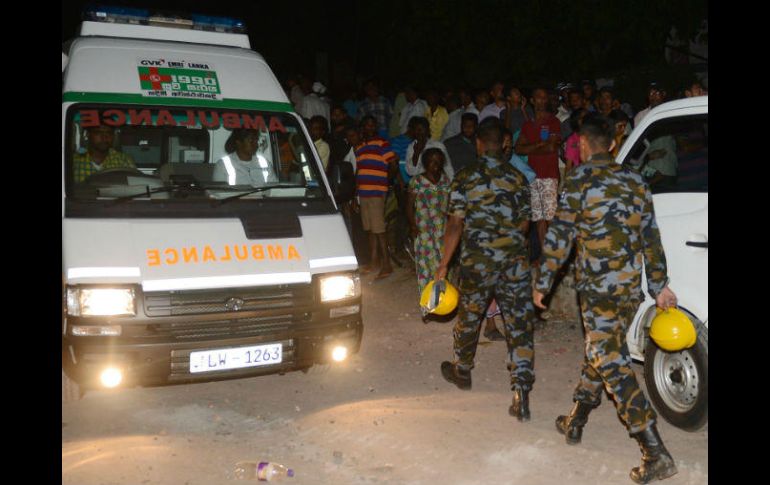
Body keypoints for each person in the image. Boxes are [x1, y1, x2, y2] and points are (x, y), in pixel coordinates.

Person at [532, 114, 679, 484]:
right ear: (613, 145)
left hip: (598, 290)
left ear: (581, 146)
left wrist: (543, 281)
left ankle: (654, 450)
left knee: (606, 357)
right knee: (601, 349)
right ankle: (576, 420)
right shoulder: (635, 180)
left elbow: (561, 236)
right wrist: (658, 284)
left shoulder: (578, 180)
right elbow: (651, 236)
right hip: (629, 288)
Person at [436, 117, 536, 422]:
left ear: (479, 143)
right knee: (518, 324)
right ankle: (521, 393)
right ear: (503, 143)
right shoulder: (519, 179)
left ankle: (462, 370)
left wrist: (442, 266)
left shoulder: (465, 177)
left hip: (477, 262)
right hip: (513, 262)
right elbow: (524, 223)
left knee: (470, 315)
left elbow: (455, 223)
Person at [514, 87, 562, 253]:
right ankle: (545, 255)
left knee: (551, 218)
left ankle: (557, 256)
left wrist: (530, 147)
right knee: (539, 219)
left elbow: (551, 148)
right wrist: (540, 145)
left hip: (549, 175)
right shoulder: (528, 124)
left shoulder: (553, 122)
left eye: (544, 97)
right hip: (532, 176)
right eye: (538, 98)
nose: (542, 101)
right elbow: (518, 149)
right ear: (532, 100)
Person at [352, 116, 399, 280]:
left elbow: (393, 164)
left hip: (377, 191)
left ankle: (387, 265)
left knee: (379, 229)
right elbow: (358, 172)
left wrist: (386, 183)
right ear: (363, 128)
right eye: (367, 125)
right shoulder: (360, 147)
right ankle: (374, 262)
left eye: (372, 124)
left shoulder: (382, 143)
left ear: (376, 127)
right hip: (364, 192)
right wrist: (355, 194)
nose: (369, 127)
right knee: (370, 230)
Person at [406, 147, 451, 306]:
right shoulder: (417, 181)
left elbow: (450, 207)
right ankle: (428, 304)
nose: (435, 164)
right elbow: (409, 206)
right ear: (425, 163)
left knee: (443, 266)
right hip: (424, 230)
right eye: (431, 161)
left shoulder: (445, 181)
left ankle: (442, 302)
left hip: (443, 230)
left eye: (438, 160)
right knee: (425, 268)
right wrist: (412, 226)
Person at [213, 128, 278, 186]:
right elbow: (219, 193)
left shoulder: (265, 163)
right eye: (251, 140)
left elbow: (275, 189)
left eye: (256, 140)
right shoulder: (222, 165)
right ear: (238, 142)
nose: (256, 144)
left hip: (263, 199)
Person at [405, 116, 454, 180]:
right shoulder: (411, 147)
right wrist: (416, 154)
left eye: (421, 129)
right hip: (420, 184)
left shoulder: (438, 145)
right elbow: (411, 172)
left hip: (438, 181)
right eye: (416, 130)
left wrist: (452, 182)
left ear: (428, 131)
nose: (419, 133)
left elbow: (447, 167)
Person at [563, 108, 588, 172]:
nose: (585, 120)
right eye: (581, 118)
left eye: (587, 117)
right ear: (576, 120)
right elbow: (569, 165)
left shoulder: (593, 136)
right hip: (578, 173)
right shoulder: (572, 139)